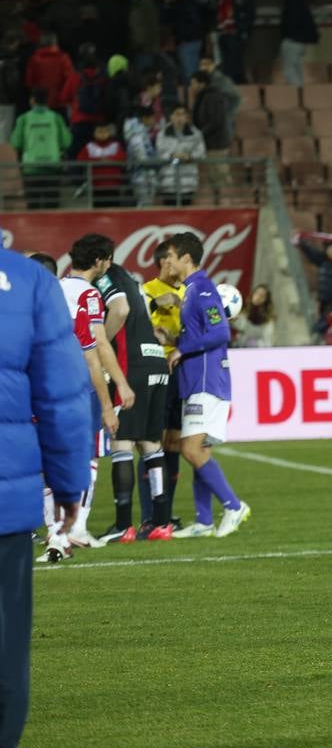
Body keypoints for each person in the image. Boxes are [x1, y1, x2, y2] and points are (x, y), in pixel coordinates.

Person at [0, 245, 91, 748]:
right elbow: (61, 392)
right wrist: (68, 486)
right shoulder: (28, 280)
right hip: (6, 504)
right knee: (5, 656)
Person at [163, 232, 250, 537]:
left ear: (186, 258)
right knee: (198, 449)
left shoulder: (202, 290)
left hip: (206, 380)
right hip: (195, 380)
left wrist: (182, 350)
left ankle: (234, 505)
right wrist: (174, 341)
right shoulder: (191, 291)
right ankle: (203, 521)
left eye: (170, 257)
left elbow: (220, 332)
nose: (166, 262)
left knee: (191, 449)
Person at [59, 235, 134, 549]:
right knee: (88, 456)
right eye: (108, 259)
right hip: (80, 385)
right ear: (100, 261)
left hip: (48, 383)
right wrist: (119, 387)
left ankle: (55, 527)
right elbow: (98, 346)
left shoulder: (53, 287)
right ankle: (77, 528)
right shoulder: (89, 295)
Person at [92, 250, 171, 542]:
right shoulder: (133, 281)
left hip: (133, 365)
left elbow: (121, 310)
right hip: (157, 362)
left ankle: (123, 525)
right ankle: (161, 524)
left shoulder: (106, 279)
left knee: (122, 442)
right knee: (151, 444)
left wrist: (102, 342)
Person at [142, 241, 187, 535]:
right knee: (152, 442)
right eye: (173, 256)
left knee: (174, 443)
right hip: (157, 368)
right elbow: (139, 328)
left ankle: (166, 515)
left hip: (184, 367)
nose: (178, 262)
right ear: (163, 261)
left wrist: (176, 334)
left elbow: (194, 330)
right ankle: (150, 515)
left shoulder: (188, 292)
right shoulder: (146, 291)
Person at [10, 88, 72, 209]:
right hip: (52, 168)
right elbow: (67, 142)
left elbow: (16, 143)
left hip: (31, 169)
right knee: (52, 208)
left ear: (32, 100)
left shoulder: (23, 119)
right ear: (46, 101)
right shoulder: (56, 118)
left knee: (33, 209)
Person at [155, 103, 205, 205]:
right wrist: (172, 155)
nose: (180, 118)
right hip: (168, 182)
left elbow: (201, 153)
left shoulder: (195, 134)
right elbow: (159, 154)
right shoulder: (162, 134)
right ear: (171, 117)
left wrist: (190, 156)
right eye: (177, 114)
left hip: (188, 181)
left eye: (183, 114)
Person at [190, 70, 231, 193]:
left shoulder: (213, 97)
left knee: (220, 174)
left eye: (193, 83)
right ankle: (220, 203)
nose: (191, 87)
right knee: (214, 176)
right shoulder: (204, 97)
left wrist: (200, 134)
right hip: (210, 143)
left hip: (216, 144)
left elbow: (216, 121)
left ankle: (228, 203)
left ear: (202, 84)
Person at [275, 0, 319, 87]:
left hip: (293, 40)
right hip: (299, 40)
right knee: (297, 71)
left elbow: (293, 20)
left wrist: (289, 34)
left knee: (289, 71)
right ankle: (300, 98)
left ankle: (297, 98)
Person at [213, 0, 254, 83]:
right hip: (222, 31)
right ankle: (239, 83)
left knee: (233, 61)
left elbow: (250, 11)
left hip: (235, 31)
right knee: (226, 61)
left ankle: (233, 84)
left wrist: (244, 29)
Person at [162, 0, 205, 88]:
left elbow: (168, 19)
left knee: (189, 72)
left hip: (188, 39)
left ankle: (193, 97)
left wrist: (167, 5)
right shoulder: (186, 1)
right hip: (191, 39)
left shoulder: (182, 3)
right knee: (191, 71)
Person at [75, 121, 126, 208]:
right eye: (99, 131)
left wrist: (99, 162)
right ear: (94, 133)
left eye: (105, 131)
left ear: (109, 133)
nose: (102, 134)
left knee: (115, 212)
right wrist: (104, 161)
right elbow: (80, 160)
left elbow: (122, 158)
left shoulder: (116, 145)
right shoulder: (89, 147)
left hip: (114, 186)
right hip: (96, 186)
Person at [23, 33, 75, 111]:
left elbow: (29, 81)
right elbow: (70, 79)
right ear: (55, 43)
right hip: (60, 100)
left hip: (40, 100)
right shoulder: (63, 58)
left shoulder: (34, 59)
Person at [233, 285, 275, 349]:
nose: (258, 297)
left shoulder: (268, 320)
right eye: (257, 293)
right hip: (239, 346)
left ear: (266, 300)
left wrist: (253, 343)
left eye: (262, 296)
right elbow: (238, 324)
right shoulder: (247, 309)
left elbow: (267, 343)